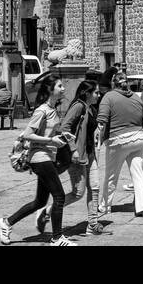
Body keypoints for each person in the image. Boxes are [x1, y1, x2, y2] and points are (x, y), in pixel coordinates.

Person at [0, 74, 75, 246]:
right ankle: (57, 238)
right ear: (50, 89)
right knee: (59, 196)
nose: (63, 89)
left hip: (48, 156)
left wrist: (61, 136)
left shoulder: (52, 109)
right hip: (40, 158)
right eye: (60, 86)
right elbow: (28, 135)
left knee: (40, 201)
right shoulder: (42, 110)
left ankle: (6, 222)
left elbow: (46, 133)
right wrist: (51, 140)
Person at [49, 78, 103, 236]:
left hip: (90, 154)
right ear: (86, 93)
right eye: (96, 92)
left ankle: (92, 223)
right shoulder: (78, 106)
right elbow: (64, 127)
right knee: (78, 193)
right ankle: (49, 211)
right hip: (77, 156)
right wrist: (73, 149)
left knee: (95, 187)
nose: (99, 95)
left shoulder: (89, 108)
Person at [97, 66, 143, 218]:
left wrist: (99, 142)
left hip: (118, 139)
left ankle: (105, 206)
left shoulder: (109, 97)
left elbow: (102, 121)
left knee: (111, 175)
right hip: (139, 137)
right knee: (138, 174)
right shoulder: (136, 98)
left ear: (114, 83)